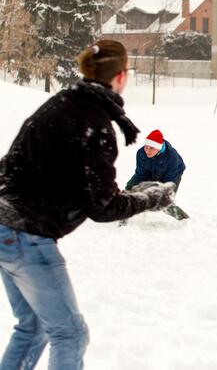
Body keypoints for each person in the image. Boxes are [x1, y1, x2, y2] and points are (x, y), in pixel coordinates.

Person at [0, 40, 176, 369]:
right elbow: (103, 206)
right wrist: (150, 199)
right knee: (70, 334)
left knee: (33, 327)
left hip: (5, 229)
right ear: (122, 76)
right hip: (28, 236)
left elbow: (10, 163)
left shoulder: (61, 103)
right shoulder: (94, 124)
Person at [123, 129, 188, 222]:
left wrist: (162, 192)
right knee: (129, 190)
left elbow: (170, 180)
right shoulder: (141, 153)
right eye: (146, 147)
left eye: (151, 148)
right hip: (150, 171)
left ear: (159, 148)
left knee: (165, 202)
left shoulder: (171, 156)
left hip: (172, 175)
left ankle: (185, 220)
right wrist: (129, 189)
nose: (147, 151)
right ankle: (124, 217)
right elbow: (140, 174)